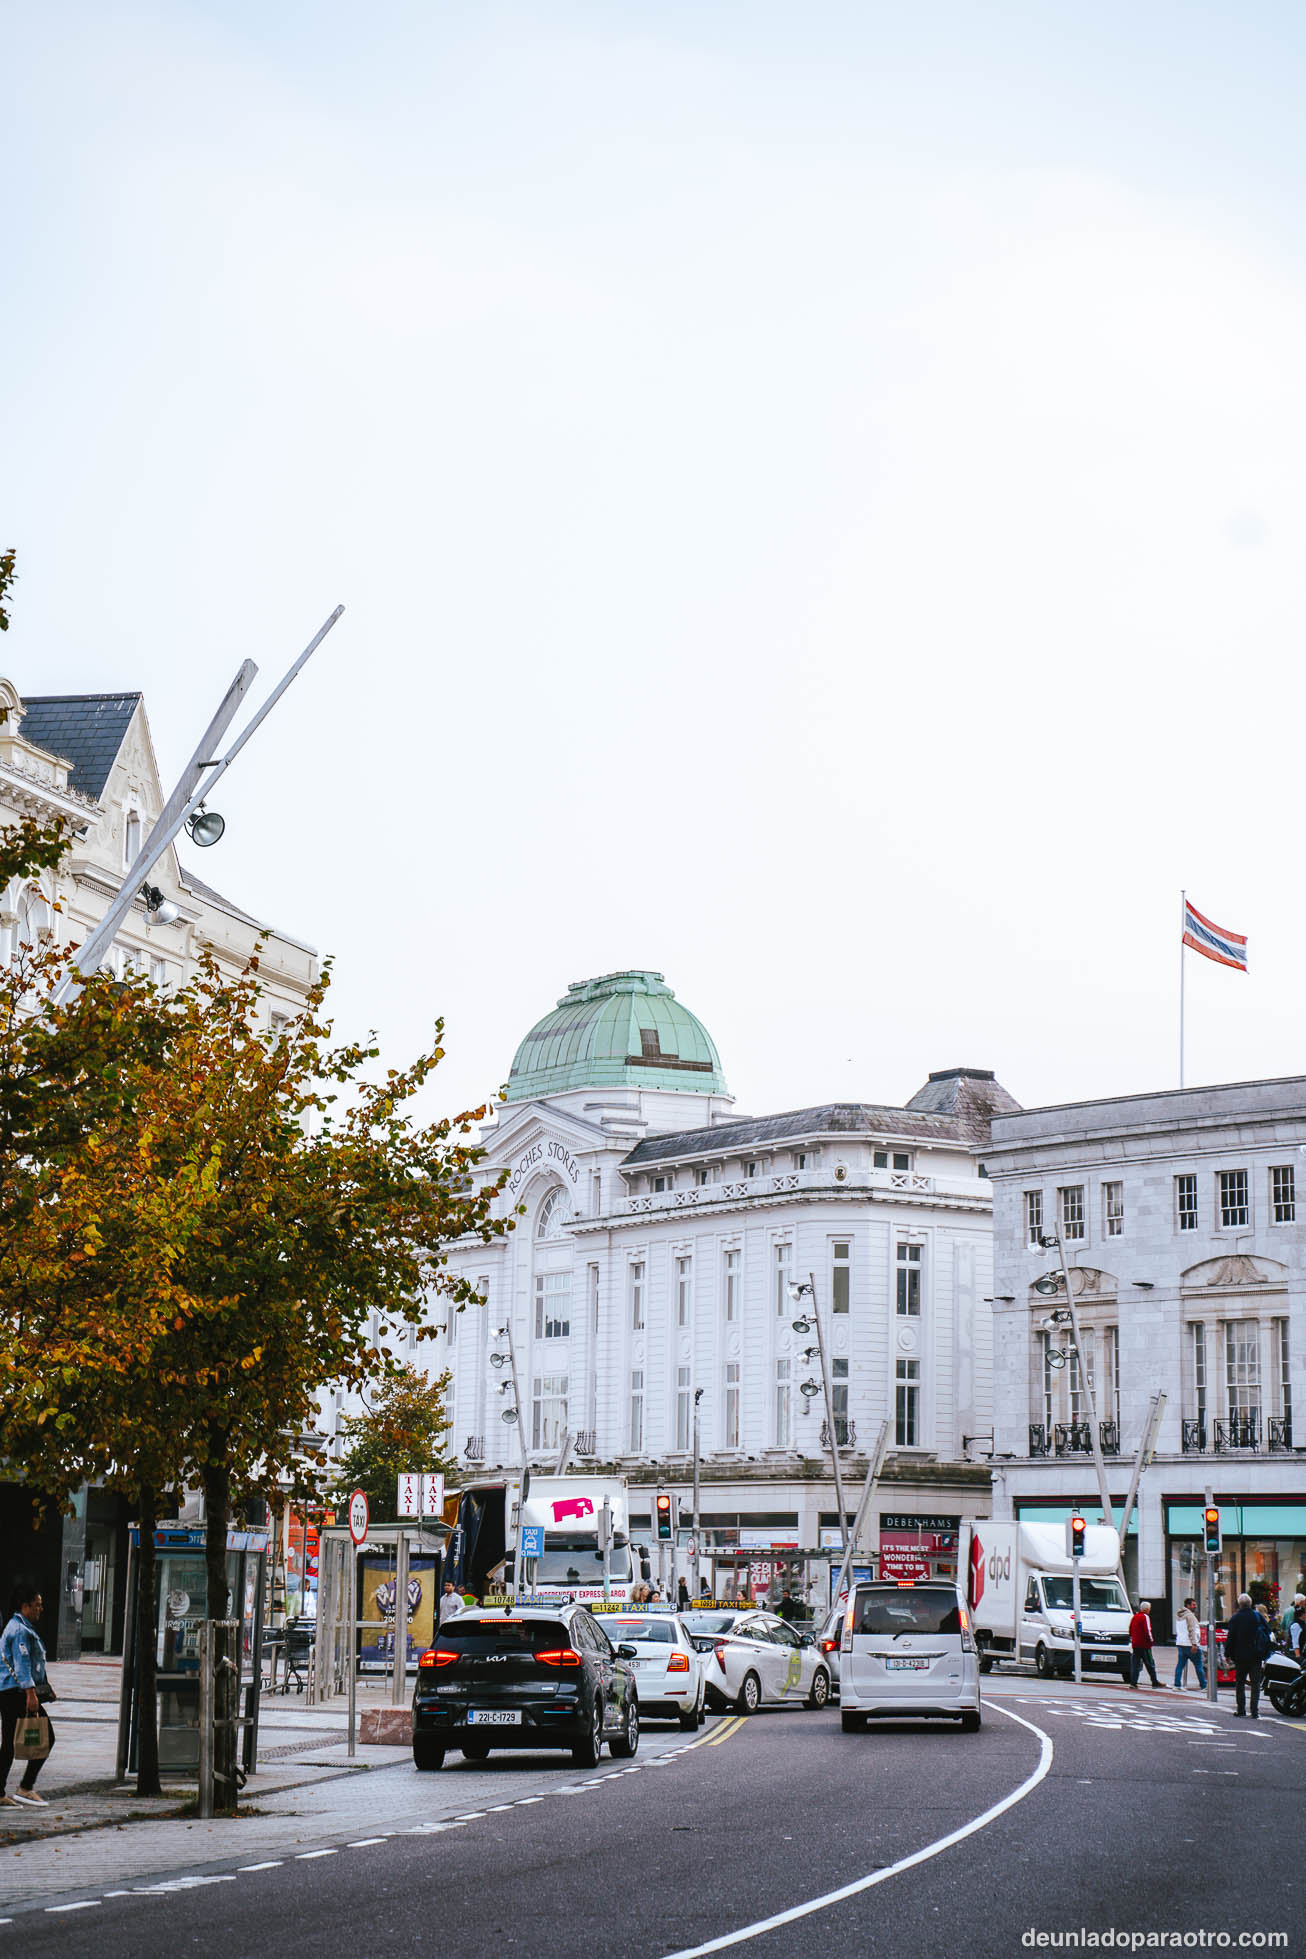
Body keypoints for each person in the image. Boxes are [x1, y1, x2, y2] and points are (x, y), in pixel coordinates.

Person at [0, 1581, 55, 1808]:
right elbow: (22, 1665)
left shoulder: (19, 1626)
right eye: (37, 1605)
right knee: (47, 1737)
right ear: (25, 1606)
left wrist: (45, 1687)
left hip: (11, 1692)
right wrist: (31, 1695)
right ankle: (25, 1787)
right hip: (16, 1693)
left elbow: (33, 1665)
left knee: (9, 1743)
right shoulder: (20, 1630)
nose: (40, 1609)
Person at [1225, 1592, 1263, 1717]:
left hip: (1240, 1655)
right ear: (1250, 1603)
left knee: (1240, 1682)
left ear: (1239, 1604)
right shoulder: (1257, 1616)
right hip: (1256, 1654)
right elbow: (1267, 1631)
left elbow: (1231, 1637)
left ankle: (1241, 1709)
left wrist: (1227, 1653)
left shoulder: (1235, 1618)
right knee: (1255, 1684)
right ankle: (1255, 1711)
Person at [1173, 1597, 1207, 1692]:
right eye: (1193, 1604)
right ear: (1188, 1605)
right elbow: (1192, 1630)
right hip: (1190, 1644)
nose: (1195, 1606)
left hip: (1181, 1643)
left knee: (1180, 1665)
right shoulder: (1190, 1616)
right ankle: (1204, 1685)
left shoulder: (1179, 1615)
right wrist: (1194, 1644)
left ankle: (1177, 1685)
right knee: (1198, 1665)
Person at [1128, 1600, 1159, 1688]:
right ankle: (1154, 1681)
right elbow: (1148, 1630)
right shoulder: (1145, 1617)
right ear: (1147, 1609)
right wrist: (1151, 1641)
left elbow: (1130, 1629)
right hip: (1145, 1645)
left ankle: (1133, 1682)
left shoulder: (1135, 1617)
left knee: (1135, 1664)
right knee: (1150, 1663)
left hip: (1135, 1644)